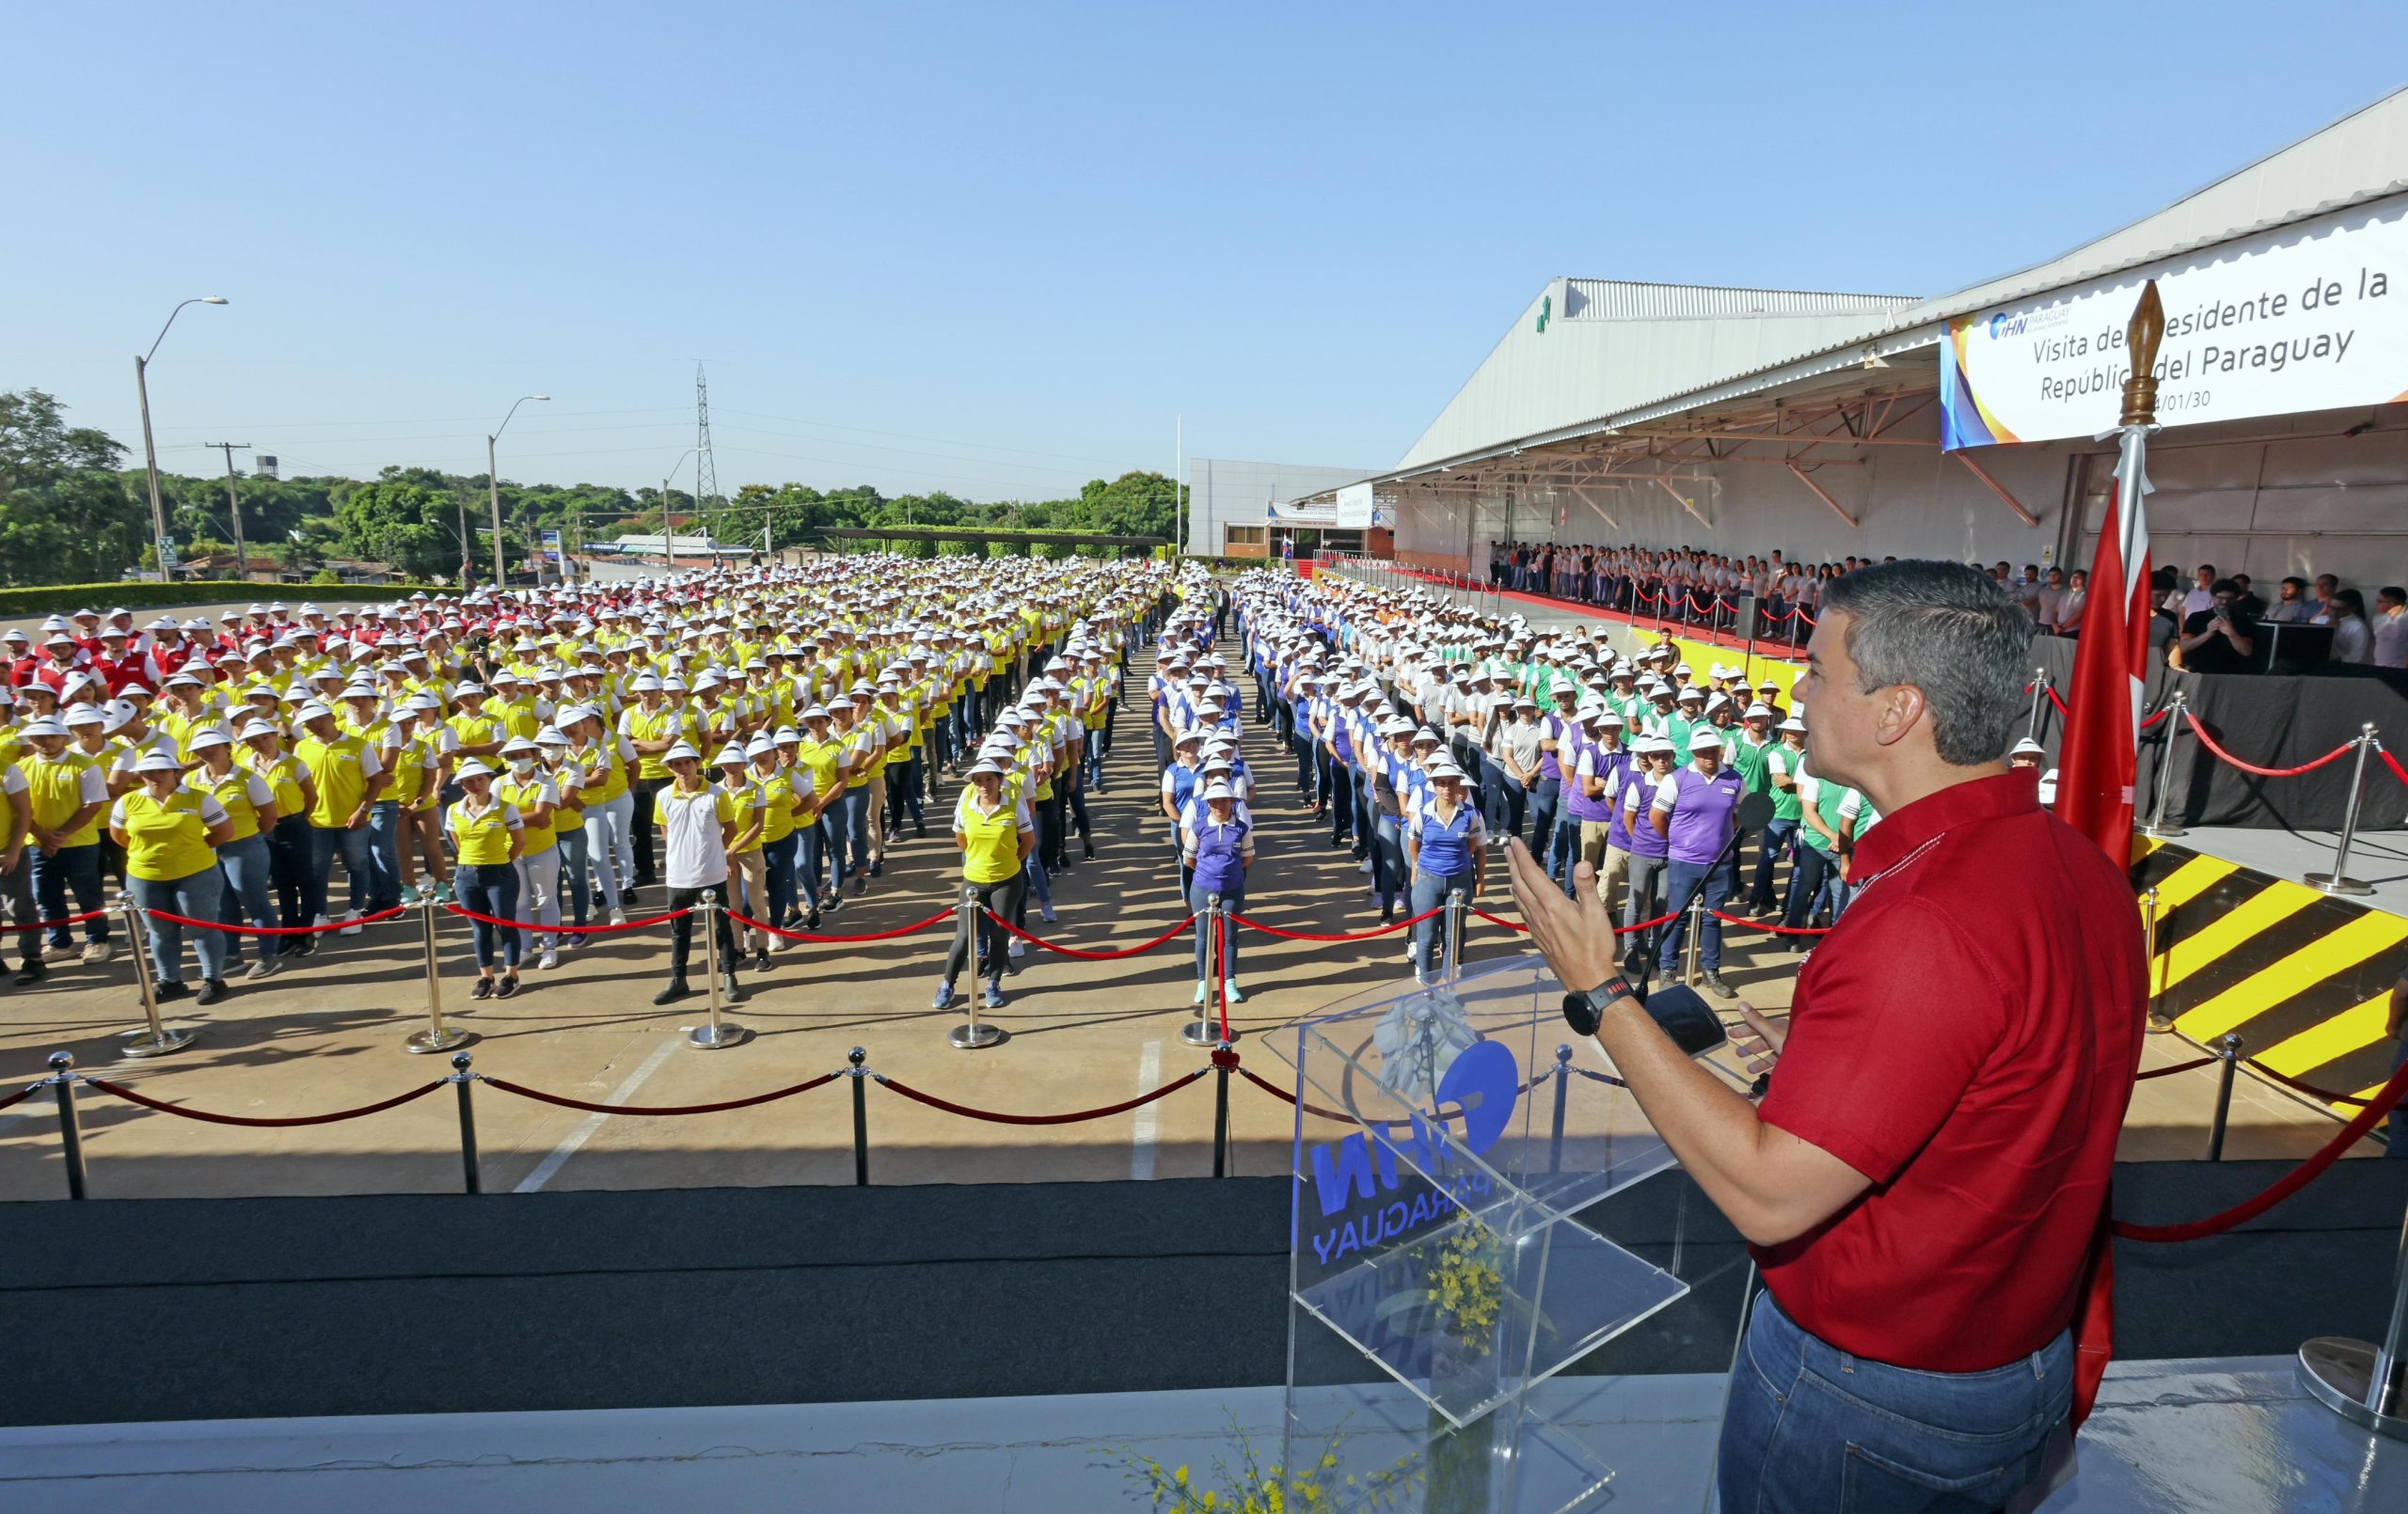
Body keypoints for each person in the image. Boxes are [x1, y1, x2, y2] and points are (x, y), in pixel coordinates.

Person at [1507, 560, 2144, 1512]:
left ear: (1895, 710)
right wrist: (1823, 1071)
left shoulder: (1927, 917)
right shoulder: (2079, 866)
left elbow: (1770, 1194)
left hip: (1873, 1400)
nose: (1792, 692)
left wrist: (1600, 991)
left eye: (1814, 669)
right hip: (2010, 1361)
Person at [111, 749, 237, 1002]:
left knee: (202, 927)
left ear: (176, 773)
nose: (155, 776)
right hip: (145, 875)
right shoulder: (128, 801)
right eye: (148, 772)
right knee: (159, 932)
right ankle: (170, 981)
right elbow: (120, 836)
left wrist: (192, 849)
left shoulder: (199, 798)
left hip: (195, 873)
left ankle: (214, 980)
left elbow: (223, 831)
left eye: (161, 771)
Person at [1649, 728, 1743, 999]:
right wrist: (1676, 842)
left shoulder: (1735, 779)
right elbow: (1657, 816)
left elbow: (1738, 816)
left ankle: (1711, 972)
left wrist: (1720, 839)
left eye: (1713, 750)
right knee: (1677, 918)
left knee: (1713, 921)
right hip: (1683, 863)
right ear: (1693, 753)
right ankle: (1668, 970)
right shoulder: (1677, 779)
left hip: (1720, 865)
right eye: (1703, 752)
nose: (1709, 756)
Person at [185, 729, 281, 982]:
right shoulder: (191, 780)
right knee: (221, 904)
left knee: (254, 901)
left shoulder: (248, 780)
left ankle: (269, 954)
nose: (208, 751)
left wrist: (251, 836)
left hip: (244, 848)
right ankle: (231, 954)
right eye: (201, 748)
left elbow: (269, 817)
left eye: (214, 745)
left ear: (228, 747)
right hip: (209, 849)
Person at [937, 757, 1033, 1013]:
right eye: (979, 781)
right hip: (974, 882)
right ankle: (947, 984)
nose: (984, 785)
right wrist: (979, 862)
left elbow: (1028, 840)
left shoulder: (1014, 805)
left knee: (999, 933)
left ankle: (993, 983)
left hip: (1007, 882)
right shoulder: (967, 807)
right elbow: (961, 840)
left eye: (989, 779)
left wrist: (1010, 862)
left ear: (1000, 780)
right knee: (965, 935)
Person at [653, 740, 743, 1006]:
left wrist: (715, 852)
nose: (683, 769)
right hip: (678, 876)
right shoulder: (663, 796)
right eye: (677, 764)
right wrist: (678, 851)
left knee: (721, 928)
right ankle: (678, 979)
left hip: (711, 874)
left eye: (688, 763)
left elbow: (731, 829)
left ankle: (729, 976)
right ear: (670, 768)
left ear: (698, 764)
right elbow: (664, 828)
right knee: (680, 931)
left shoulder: (716, 794)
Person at [19, 716, 112, 965]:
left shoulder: (84, 765)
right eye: (39, 738)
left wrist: (60, 835)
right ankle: (60, 943)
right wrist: (41, 835)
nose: (46, 742)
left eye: (52, 736)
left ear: (64, 738)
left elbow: (93, 805)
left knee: (88, 894)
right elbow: (18, 807)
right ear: (30, 740)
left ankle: (97, 939)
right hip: (37, 844)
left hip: (80, 843)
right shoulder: (23, 767)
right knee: (47, 896)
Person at [444, 757, 524, 999]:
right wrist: (471, 861)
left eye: (480, 779)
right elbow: (455, 840)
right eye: (470, 781)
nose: (476, 784)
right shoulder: (454, 810)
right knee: (479, 928)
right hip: (467, 874)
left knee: (505, 924)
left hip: (499, 872)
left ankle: (511, 974)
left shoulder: (505, 807)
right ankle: (486, 976)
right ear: (462, 784)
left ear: (489, 780)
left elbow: (519, 842)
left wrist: (500, 861)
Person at [1404, 760, 1485, 987]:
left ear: (1459, 785)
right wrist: (1428, 867)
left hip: (1459, 882)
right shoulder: (1424, 813)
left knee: (1453, 937)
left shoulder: (1470, 814)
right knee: (1427, 937)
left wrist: (1476, 876)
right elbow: (1414, 847)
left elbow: (1473, 845)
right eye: (1442, 783)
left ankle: (1447, 983)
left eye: (1452, 783)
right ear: (1434, 786)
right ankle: (1425, 986)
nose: (1447, 788)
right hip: (1428, 881)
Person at [1183, 777, 1254, 1004]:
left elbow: (1248, 857)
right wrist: (1209, 874)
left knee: (1230, 937)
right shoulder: (1199, 827)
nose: (1219, 806)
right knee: (1203, 937)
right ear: (1208, 804)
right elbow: (1189, 859)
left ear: (1232, 802)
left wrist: (1228, 873)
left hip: (1232, 889)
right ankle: (1204, 982)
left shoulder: (1241, 829)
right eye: (1214, 802)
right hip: (1202, 888)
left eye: (1224, 801)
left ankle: (1230, 982)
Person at [2175, 578, 2259, 674]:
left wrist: (2231, 633)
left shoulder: (2243, 621)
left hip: (2230, 673)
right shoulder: (2197, 618)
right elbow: (2184, 647)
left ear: (2236, 599)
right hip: (2198, 671)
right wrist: (2207, 634)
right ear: (2212, 597)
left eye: (2230, 598)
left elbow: (2246, 651)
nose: (2224, 602)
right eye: (2220, 598)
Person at [2327, 589, 2372, 666]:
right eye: (2332, 608)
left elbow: (2356, 657)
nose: (2334, 612)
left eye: (2340, 609)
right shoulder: (2324, 619)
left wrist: (2333, 630)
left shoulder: (2358, 627)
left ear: (2353, 609)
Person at [2373, 587, 2408, 670]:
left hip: (2399, 667)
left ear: (2391, 603)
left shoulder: (2405, 618)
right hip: (2379, 665)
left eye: (2380, 602)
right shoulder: (2379, 617)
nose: (2377, 604)